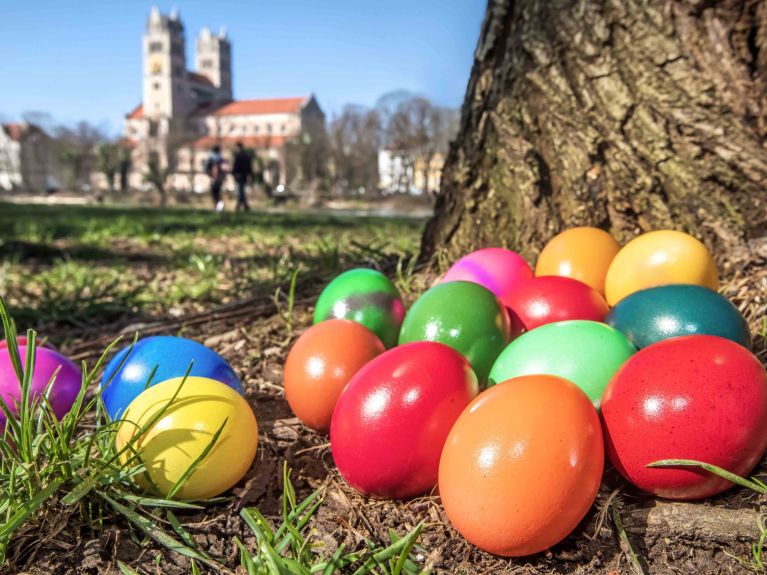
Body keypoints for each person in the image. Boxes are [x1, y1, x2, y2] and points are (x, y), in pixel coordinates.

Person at [231, 142, 253, 212]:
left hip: (239, 175)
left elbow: (235, 166)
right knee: (241, 191)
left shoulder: (238, 156)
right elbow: (249, 167)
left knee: (240, 191)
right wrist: (250, 174)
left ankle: (241, 206)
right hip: (244, 175)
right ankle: (245, 206)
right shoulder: (246, 156)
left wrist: (234, 173)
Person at [204, 145, 226, 212]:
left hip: (214, 178)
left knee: (214, 193)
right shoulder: (222, 159)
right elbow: (225, 169)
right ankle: (219, 206)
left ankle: (218, 207)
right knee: (217, 192)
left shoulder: (212, 158)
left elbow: (206, 168)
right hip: (220, 178)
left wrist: (210, 175)